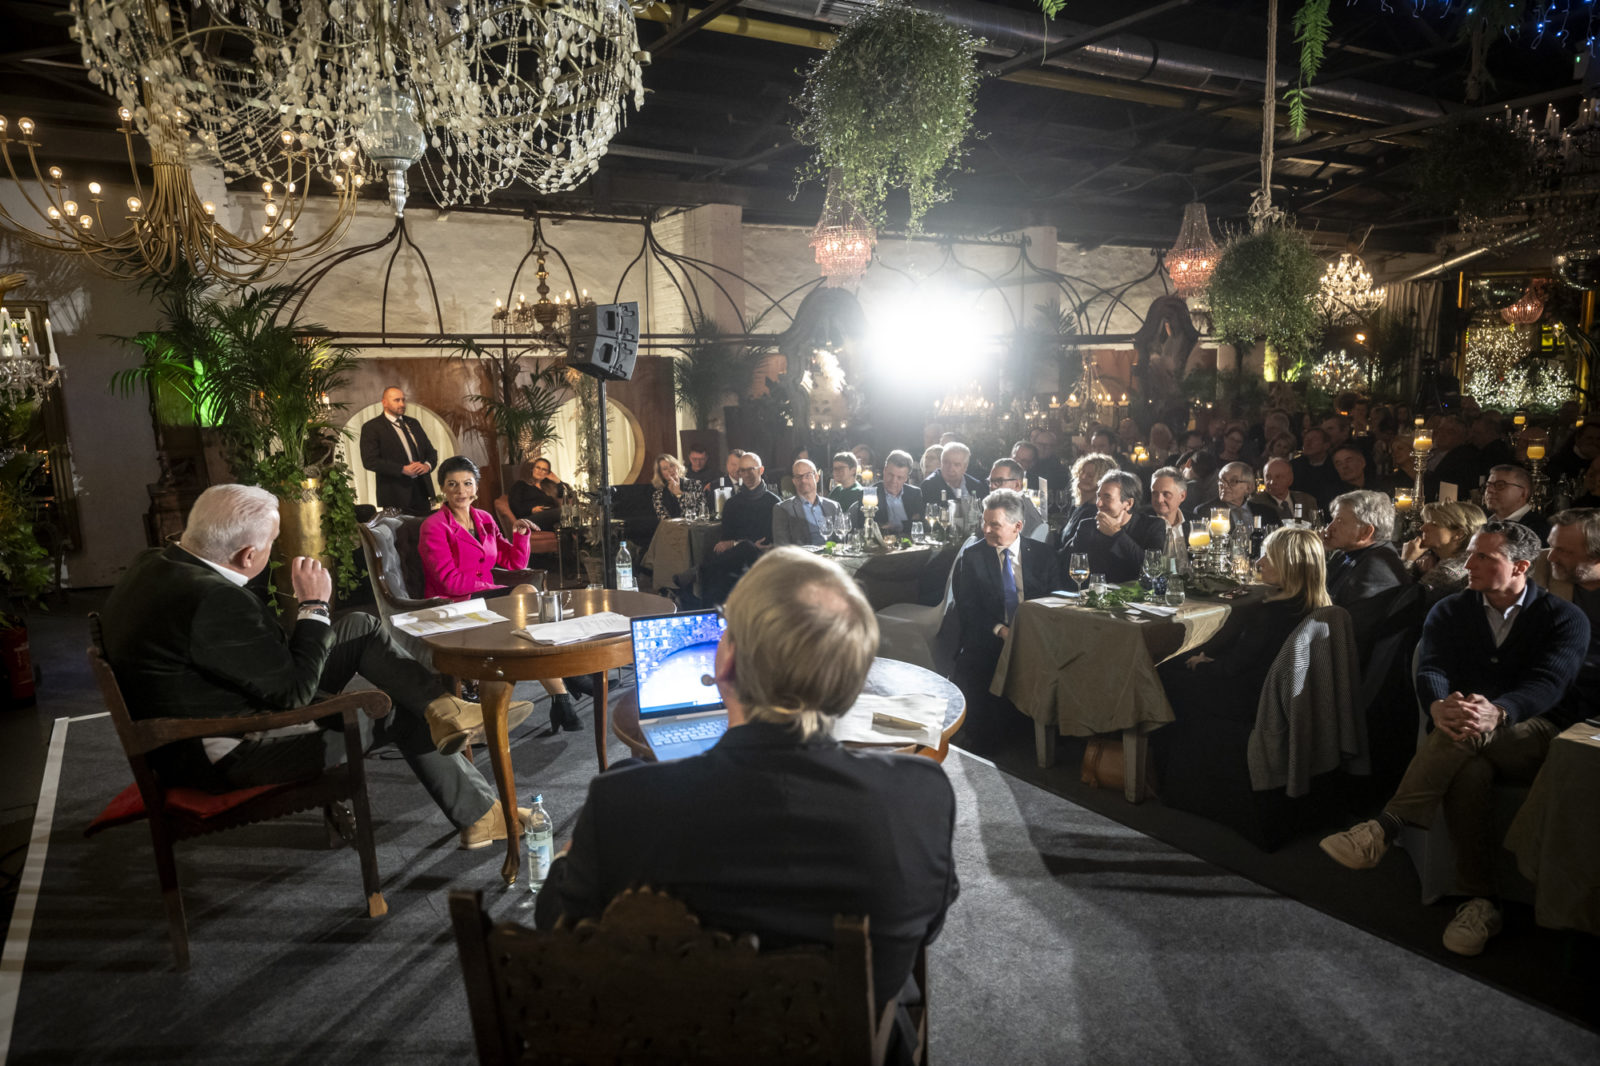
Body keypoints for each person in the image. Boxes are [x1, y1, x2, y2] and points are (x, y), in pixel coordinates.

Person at [534, 547, 958, 1059]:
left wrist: (566, 858)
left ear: (726, 658)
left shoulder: (622, 802)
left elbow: (559, 927)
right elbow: (924, 928)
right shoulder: (919, 796)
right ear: (852, 681)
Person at [99, 484, 528, 850]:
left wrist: (316, 617)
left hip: (214, 706)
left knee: (359, 626)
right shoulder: (215, 601)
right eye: (272, 543)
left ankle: (447, 709)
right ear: (248, 555)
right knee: (394, 710)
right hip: (227, 751)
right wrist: (314, 605)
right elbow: (293, 695)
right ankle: (480, 811)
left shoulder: (155, 563)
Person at [1319, 522, 1589, 957]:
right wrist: (1436, 705)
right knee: (1470, 768)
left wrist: (1499, 711)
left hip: (1533, 731)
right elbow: (1433, 668)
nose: (1470, 564)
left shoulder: (1563, 617)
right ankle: (1480, 904)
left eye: (1485, 557)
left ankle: (1384, 828)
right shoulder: (1450, 608)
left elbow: (1550, 683)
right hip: (1465, 730)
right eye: (1472, 554)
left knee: (1467, 735)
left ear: (1521, 566)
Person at [1151, 526, 1334, 828]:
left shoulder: (1269, 615)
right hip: (1280, 698)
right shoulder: (1315, 607)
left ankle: (1159, 777)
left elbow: (1230, 669)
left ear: (1290, 565)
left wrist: (1202, 662)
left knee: (1165, 675)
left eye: (1268, 558)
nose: (1259, 563)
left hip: (1250, 702)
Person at [420, 457, 578, 731]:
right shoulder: (434, 526)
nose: (461, 491)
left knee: (526, 592)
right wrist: (496, 592)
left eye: (467, 483)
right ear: (443, 490)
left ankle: (560, 694)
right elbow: (449, 582)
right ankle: (562, 682)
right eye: (452, 484)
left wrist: (521, 535)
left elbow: (514, 564)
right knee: (526, 595)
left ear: (476, 489)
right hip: (454, 605)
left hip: (484, 600)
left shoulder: (484, 519)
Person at [948, 490, 1061, 714]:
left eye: (994, 525)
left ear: (1017, 526)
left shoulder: (1043, 555)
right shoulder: (973, 557)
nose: (986, 530)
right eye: (985, 522)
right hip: (990, 634)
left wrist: (1031, 632)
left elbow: (1056, 600)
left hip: (1036, 635)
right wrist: (1001, 631)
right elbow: (968, 607)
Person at [1324, 490, 1410, 658]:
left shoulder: (1376, 570)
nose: (1329, 528)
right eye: (1333, 518)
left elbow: (1347, 633)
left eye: (1340, 521)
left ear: (1366, 532)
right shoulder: (1347, 552)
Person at [699, 451, 780, 604]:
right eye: (743, 470)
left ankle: (695, 574)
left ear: (761, 470)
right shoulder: (732, 503)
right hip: (738, 555)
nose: (747, 474)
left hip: (760, 555)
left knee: (747, 549)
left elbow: (767, 540)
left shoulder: (773, 502)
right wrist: (739, 543)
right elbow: (725, 540)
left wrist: (737, 543)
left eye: (751, 469)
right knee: (739, 551)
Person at [1060, 470, 1166, 584]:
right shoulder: (1087, 526)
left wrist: (1117, 534)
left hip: (1137, 598)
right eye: (1098, 496)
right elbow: (1068, 565)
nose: (1098, 503)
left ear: (1129, 503)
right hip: (1093, 596)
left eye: (1107, 497)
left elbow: (1152, 567)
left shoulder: (1152, 526)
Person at [359, 386, 437, 515]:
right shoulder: (372, 427)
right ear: (384, 402)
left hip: (422, 491)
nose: (402, 404)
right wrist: (402, 469)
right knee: (401, 534)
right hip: (394, 495)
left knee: (424, 532)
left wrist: (427, 466)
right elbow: (370, 461)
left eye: (403, 400)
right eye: (397, 400)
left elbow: (431, 452)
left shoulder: (413, 423)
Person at [1401, 501, 1487, 597]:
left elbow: (1402, 600)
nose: (1422, 528)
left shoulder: (1448, 572)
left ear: (1459, 534)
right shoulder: (1461, 559)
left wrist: (1407, 560)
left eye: (1434, 524)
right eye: (1425, 522)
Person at [849, 449, 922, 534]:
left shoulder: (914, 494)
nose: (893, 481)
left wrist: (895, 525)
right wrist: (908, 522)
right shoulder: (870, 494)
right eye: (890, 475)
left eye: (899, 477)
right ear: (884, 470)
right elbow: (864, 527)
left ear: (906, 478)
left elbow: (921, 525)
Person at [772, 459, 842, 547]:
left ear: (817, 477)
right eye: (798, 477)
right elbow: (782, 547)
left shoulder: (833, 507)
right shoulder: (782, 509)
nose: (803, 480)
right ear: (794, 481)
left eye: (808, 475)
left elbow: (841, 542)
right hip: (803, 559)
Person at [1481, 463, 1549, 543]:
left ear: (1523, 493)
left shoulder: (1537, 530)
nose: (1489, 490)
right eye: (1488, 485)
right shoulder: (1483, 523)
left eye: (1500, 485)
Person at [985, 459, 1045, 540]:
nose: (992, 486)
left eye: (999, 481)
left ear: (1017, 484)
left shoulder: (1022, 514)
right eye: (990, 482)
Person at [508, 456, 572, 528]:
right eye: (538, 467)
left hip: (550, 518)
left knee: (567, 528)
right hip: (530, 518)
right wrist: (531, 510)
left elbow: (569, 494)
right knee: (563, 511)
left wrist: (557, 481)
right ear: (532, 469)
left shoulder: (549, 486)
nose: (540, 471)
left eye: (544, 469)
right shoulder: (521, 484)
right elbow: (515, 505)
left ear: (548, 473)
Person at [1252, 457, 1319, 522]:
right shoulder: (1256, 503)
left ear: (1290, 479)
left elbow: (1318, 527)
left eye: (1278, 477)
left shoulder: (1307, 500)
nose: (1272, 482)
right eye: (1268, 477)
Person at [1290, 427, 1341, 511]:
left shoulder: (1335, 465)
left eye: (1314, 439)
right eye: (1306, 439)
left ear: (1326, 445)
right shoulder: (1295, 465)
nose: (1307, 443)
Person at [919, 440, 985, 500]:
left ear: (965, 467)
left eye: (956, 464)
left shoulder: (976, 485)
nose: (950, 468)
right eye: (946, 462)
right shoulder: (929, 486)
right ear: (941, 463)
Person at [1067, 452, 1118, 527]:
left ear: (1102, 481)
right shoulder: (1077, 507)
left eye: (1090, 476)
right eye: (1082, 471)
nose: (1083, 477)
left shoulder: (1094, 513)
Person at [651, 453, 702, 520]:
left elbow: (697, 513)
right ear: (661, 474)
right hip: (671, 529)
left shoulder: (695, 485)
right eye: (665, 469)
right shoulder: (657, 495)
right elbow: (664, 521)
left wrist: (679, 495)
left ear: (677, 466)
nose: (671, 470)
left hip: (694, 527)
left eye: (672, 465)